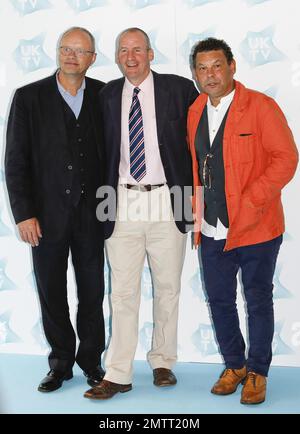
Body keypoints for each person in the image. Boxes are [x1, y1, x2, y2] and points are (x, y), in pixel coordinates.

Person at [84, 27, 198, 400]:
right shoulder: (104, 95)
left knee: (168, 287)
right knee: (122, 293)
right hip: (119, 199)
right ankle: (118, 372)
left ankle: (163, 361)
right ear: (116, 57)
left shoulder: (180, 90)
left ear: (151, 54)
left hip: (171, 198)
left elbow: (199, 145)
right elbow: (99, 154)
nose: (130, 56)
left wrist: (199, 198)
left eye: (137, 49)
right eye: (123, 50)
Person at [187, 37, 298, 404]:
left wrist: (253, 199)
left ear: (232, 66)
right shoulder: (194, 111)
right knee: (219, 300)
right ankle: (234, 365)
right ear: (196, 74)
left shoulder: (261, 107)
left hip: (257, 226)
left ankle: (258, 372)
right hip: (211, 227)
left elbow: (286, 158)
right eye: (202, 68)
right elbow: (197, 166)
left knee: (257, 300)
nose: (210, 74)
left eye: (217, 65)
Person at [5, 27, 106, 393]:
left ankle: (92, 361)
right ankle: (61, 362)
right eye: (66, 48)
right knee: (52, 290)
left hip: (94, 214)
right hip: (44, 216)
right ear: (58, 52)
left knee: (93, 292)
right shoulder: (28, 97)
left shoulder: (104, 94)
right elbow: (15, 162)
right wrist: (23, 213)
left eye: (80, 50)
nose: (71, 55)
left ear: (92, 58)